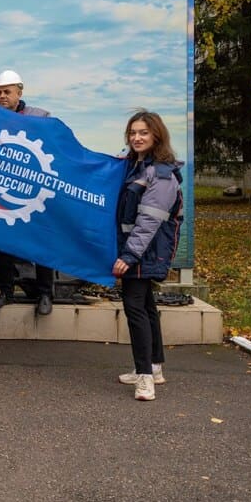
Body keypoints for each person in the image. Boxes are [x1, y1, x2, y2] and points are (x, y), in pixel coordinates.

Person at [113, 111, 183, 402]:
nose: (137, 138)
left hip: (145, 251)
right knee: (146, 306)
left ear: (157, 135)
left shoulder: (161, 173)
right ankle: (154, 367)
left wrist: (129, 255)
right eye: (133, 133)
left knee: (135, 309)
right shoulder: (135, 166)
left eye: (143, 132)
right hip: (141, 249)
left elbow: (149, 221)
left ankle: (144, 379)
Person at [0, 70, 56, 316]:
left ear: (20, 92)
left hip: (34, 191)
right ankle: (5, 291)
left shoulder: (40, 117)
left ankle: (46, 293)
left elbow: (53, 145)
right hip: (6, 191)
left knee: (41, 241)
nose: (2, 96)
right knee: (3, 242)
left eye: (7, 92)